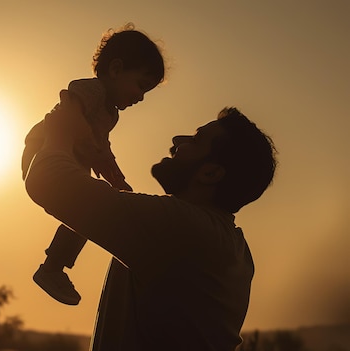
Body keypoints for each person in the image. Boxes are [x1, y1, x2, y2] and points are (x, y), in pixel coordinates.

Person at [24, 93, 277, 350]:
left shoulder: (183, 228)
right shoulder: (227, 244)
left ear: (210, 173)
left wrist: (61, 130)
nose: (177, 140)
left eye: (196, 139)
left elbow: (48, 181)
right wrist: (118, 193)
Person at [21, 23, 165, 306]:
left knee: (89, 210)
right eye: (140, 85)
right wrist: (86, 146)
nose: (141, 97)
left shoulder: (110, 114)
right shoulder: (92, 91)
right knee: (87, 205)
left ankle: (53, 268)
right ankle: (52, 267)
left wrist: (115, 178)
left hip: (74, 158)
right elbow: (69, 103)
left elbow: (102, 146)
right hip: (47, 146)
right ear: (115, 69)